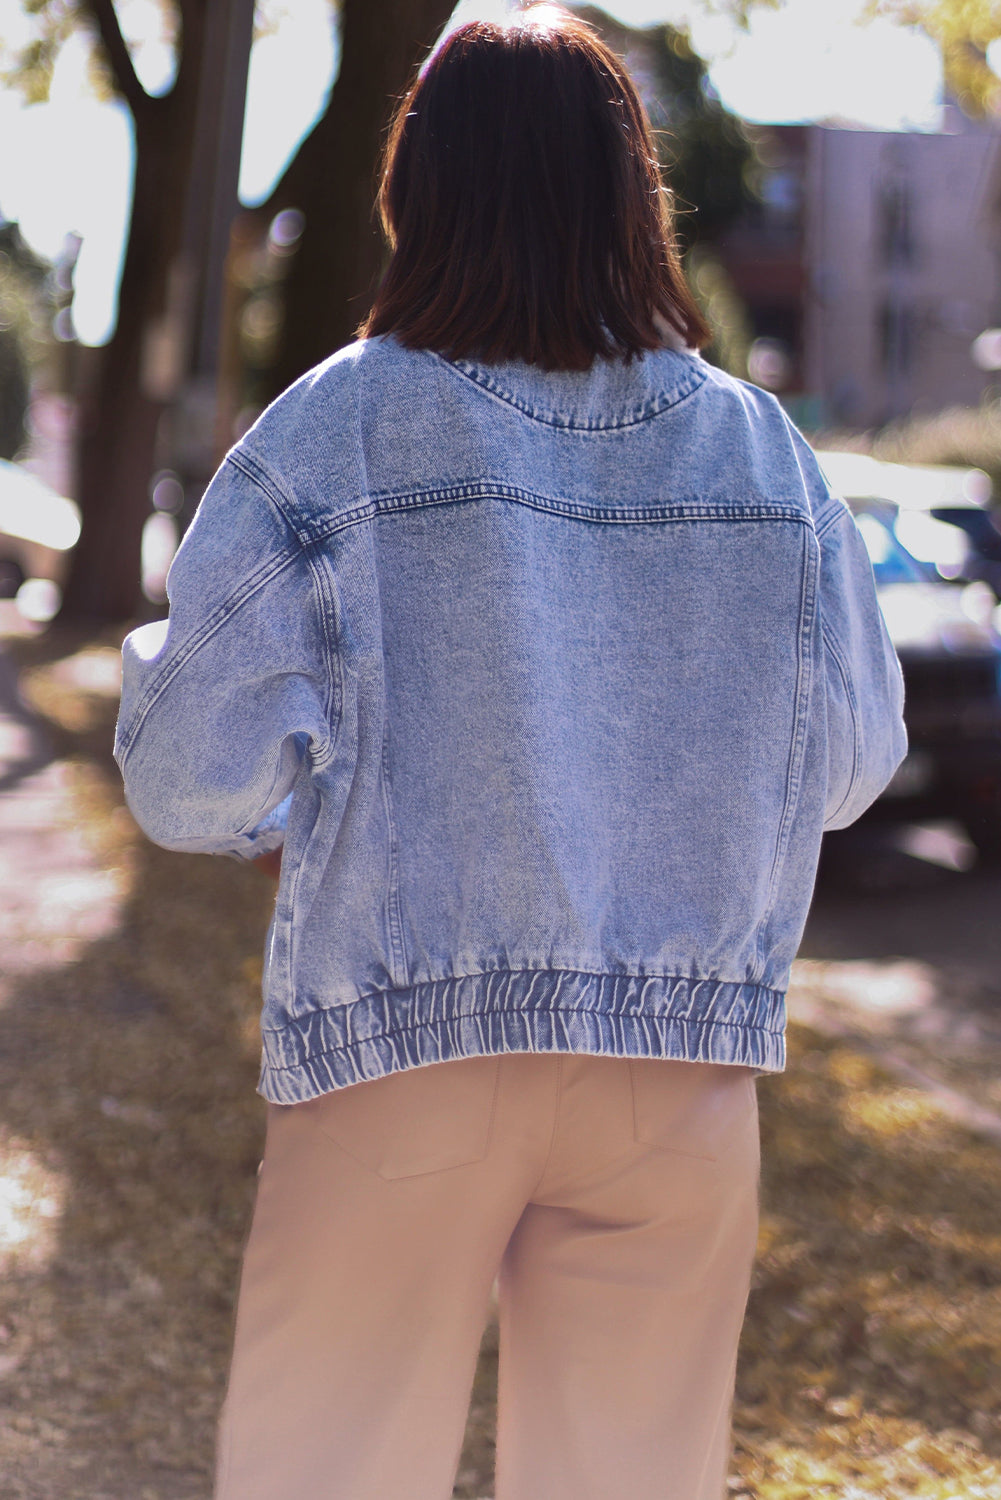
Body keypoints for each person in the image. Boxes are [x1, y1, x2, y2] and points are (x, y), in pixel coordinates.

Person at [114, 9, 906, 1499]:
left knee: (322, 1475)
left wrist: (281, 811)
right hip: (676, 1068)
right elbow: (851, 760)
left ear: (416, 190)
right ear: (631, 199)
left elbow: (178, 773)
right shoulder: (763, 453)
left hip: (400, 1043)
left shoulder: (337, 427)